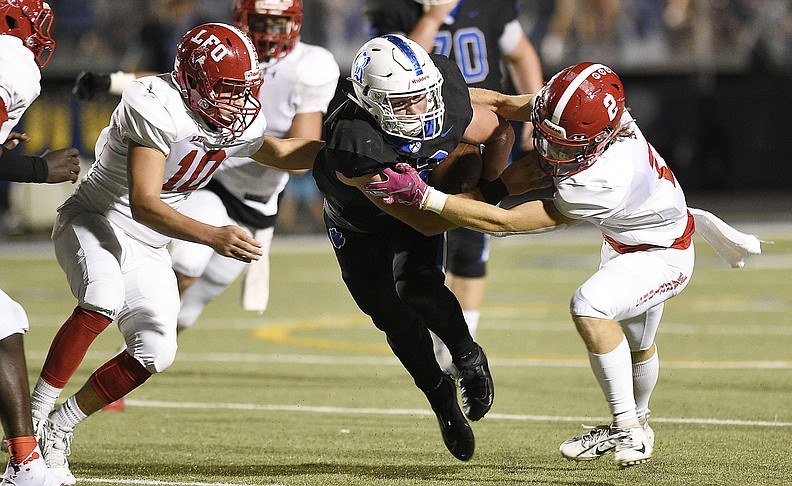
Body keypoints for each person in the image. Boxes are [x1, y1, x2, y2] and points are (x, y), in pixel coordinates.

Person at [364, 62, 762, 467]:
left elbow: (505, 222)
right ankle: (638, 424)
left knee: (590, 307)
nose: (550, 150)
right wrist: (433, 101)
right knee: (639, 348)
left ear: (601, 138)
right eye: (547, 134)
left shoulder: (598, 181)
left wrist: (426, 198)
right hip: (629, 239)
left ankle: (626, 427)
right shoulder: (578, 114)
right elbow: (501, 102)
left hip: (662, 255)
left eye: (564, 144)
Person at [26, 22, 321, 484]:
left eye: (244, 90)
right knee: (101, 297)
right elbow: (145, 202)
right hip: (97, 217)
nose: (238, 102)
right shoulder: (155, 102)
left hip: (149, 241)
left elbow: (283, 152)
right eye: (227, 90)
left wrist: (352, 154)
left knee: (156, 351)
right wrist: (213, 235)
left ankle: (61, 427)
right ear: (194, 82)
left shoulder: (233, 117)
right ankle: (31, 422)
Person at [311, 33, 528, 462]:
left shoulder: (443, 100)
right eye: (405, 102)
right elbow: (427, 221)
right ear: (369, 100)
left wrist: (486, 182)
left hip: (418, 200)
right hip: (359, 224)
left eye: (424, 96)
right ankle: (440, 399)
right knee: (394, 319)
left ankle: (468, 356)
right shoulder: (355, 144)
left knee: (418, 286)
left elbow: (498, 129)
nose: (421, 109)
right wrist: (497, 192)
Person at [365, 0, 544, 374]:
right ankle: (445, 338)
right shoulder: (398, 11)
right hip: (414, 138)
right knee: (421, 237)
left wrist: (534, 115)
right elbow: (388, 67)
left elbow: (520, 54)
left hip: (479, 131)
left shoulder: (487, 7)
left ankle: (460, 349)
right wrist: (432, 17)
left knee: (473, 238)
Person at [169, 0, 339, 333]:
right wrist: (115, 81)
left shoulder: (311, 66)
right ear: (241, 19)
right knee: (186, 265)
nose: (266, 34)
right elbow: (173, 81)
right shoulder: (223, 52)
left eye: (276, 24)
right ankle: (137, 349)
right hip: (211, 181)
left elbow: (299, 162)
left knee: (192, 307)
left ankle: (134, 356)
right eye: (259, 22)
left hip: (257, 203)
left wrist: (239, 138)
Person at [0, 1, 80, 484]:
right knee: (3, 319)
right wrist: (38, 169)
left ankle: (26, 459)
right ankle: (26, 462)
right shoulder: (11, 58)